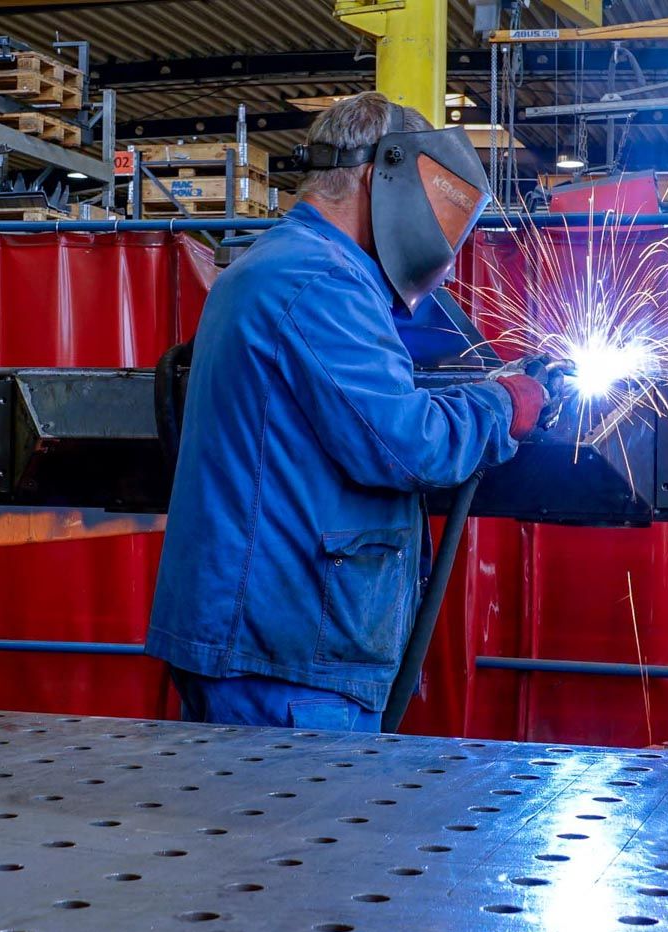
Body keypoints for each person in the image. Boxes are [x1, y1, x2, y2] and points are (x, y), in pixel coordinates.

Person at [146, 92, 554, 730]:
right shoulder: (319, 282)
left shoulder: (278, 266)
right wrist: (502, 405)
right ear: (380, 178)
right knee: (297, 829)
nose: (444, 267)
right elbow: (405, 445)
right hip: (286, 649)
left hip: (265, 635)